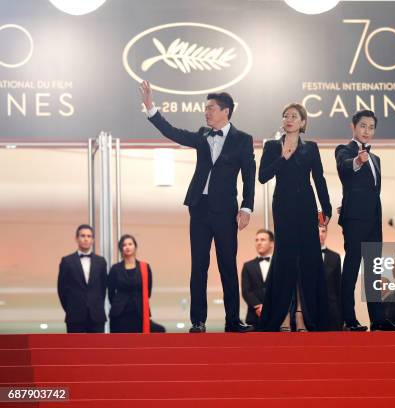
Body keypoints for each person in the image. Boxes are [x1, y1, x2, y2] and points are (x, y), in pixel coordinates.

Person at [139, 81, 255, 333]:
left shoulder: (243, 140)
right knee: (198, 265)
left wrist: (246, 207)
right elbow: (173, 132)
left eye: (211, 108)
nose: (206, 112)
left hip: (226, 211)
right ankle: (198, 321)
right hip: (199, 208)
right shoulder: (203, 134)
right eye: (206, 108)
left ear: (226, 111)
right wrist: (150, 108)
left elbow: (249, 174)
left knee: (227, 265)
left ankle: (232, 320)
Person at [258, 103, 332, 332]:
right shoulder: (272, 146)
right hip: (283, 206)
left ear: (302, 123)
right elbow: (262, 177)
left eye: (294, 116)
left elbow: (319, 178)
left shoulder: (311, 147)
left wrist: (326, 208)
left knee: (307, 261)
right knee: (285, 260)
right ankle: (280, 316)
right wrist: (282, 158)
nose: (289, 119)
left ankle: (301, 315)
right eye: (285, 116)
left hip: (306, 206)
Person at [336, 109, 395, 331]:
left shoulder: (376, 158)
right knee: (352, 267)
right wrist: (357, 160)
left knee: (374, 271)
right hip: (355, 220)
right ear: (353, 127)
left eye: (371, 127)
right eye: (363, 126)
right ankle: (349, 319)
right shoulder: (344, 150)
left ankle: (378, 320)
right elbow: (344, 169)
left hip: (374, 221)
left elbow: (371, 192)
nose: (367, 131)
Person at [57, 224, 107, 333]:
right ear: (76, 238)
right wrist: (71, 308)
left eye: (89, 236)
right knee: (75, 349)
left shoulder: (101, 261)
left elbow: (103, 289)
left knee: (98, 348)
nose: (86, 239)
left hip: (96, 315)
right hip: (74, 315)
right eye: (83, 236)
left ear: (93, 240)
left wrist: (96, 305)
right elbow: (62, 290)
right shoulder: (66, 261)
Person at [108, 234, 154, 333]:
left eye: (130, 244)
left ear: (135, 247)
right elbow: (111, 294)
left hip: (139, 313)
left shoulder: (145, 267)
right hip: (119, 314)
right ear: (121, 248)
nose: (127, 247)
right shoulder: (115, 269)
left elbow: (148, 292)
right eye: (124, 245)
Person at [241, 229, 274, 327]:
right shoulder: (248, 266)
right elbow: (246, 290)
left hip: (276, 316)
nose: (259, 243)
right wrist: (258, 306)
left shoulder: (279, 265)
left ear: (271, 243)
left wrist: (268, 307)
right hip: (254, 317)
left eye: (262, 240)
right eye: (257, 240)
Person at [319, 224, 343, 331]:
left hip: (332, 308)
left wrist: (341, 313)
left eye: (323, 231)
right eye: (317, 231)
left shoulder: (335, 257)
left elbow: (338, 285)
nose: (320, 234)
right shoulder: (304, 256)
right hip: (311, 308)